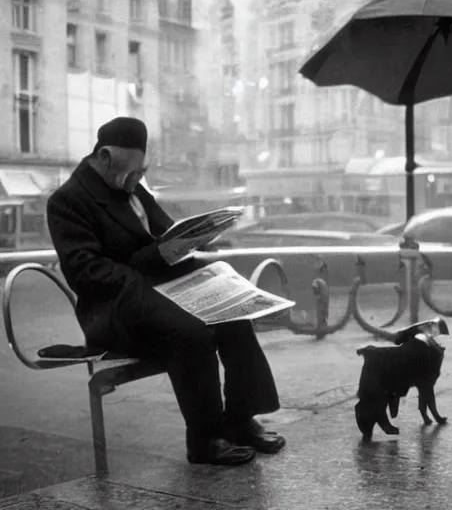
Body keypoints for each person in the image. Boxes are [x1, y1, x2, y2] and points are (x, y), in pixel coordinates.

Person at [46, 117, 286, 466]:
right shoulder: (68, 201)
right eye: (130, 174)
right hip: (115, 312)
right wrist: (151, 261)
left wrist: (194, 242)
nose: (136, 181)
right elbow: (87, 273)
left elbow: (164, 236)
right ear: (104, 157)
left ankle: (238, 419)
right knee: (191, 330)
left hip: (158, 296)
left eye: (140, 173)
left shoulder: (131, 187)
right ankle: (204, 440)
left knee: (230, 311)